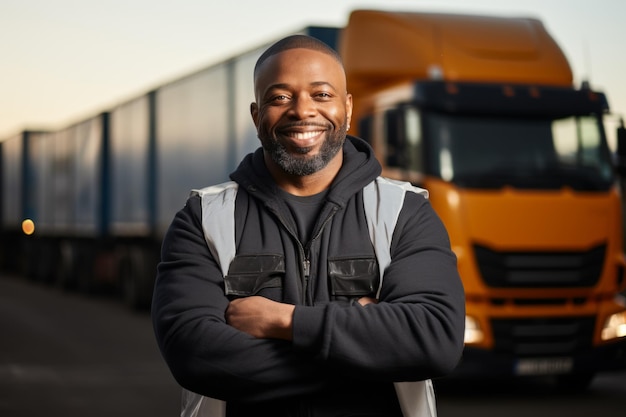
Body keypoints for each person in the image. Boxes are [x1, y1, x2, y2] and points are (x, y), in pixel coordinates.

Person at [151, 34, 465, 417]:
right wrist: (368, 349)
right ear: (256, 114)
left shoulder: (403, 211)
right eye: (280, 97)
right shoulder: (204, 217)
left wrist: (285, 321)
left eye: (321, 94)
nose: (302, 111)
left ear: (347, 107)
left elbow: (435, 339)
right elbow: (195, 356)